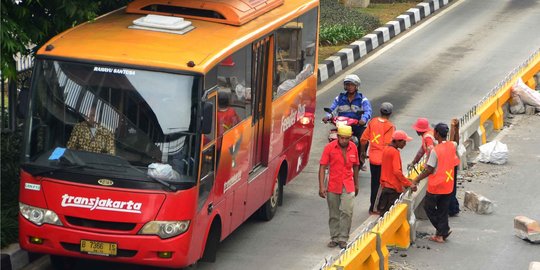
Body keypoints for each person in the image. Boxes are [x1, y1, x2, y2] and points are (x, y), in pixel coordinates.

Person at [412, 123, 460, 243]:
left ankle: (442, 230)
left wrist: (416, 179)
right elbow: (456, 141)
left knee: (429, 208)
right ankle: (440, 235)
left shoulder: (435, 151)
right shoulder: (452, 145)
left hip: (436, 186)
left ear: (436, 134)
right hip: (448, 184)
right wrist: (456, 129)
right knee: (443, 210)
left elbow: (429, 169)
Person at [318, 125, 359, 249]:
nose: (344, 141)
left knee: (347, 211)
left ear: (350, 138)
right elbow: (322, 167)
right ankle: (334, 238)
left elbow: (356, 166)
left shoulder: (353, 148)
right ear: (338, 137)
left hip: (348, 184)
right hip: (333, 185)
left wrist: (356, 184)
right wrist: (321, 186)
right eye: (342, 138)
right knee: (334, 213)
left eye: (347, 139)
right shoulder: (329, 148)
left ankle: (343, 238)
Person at [322, 74, 372, 161]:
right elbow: (332, 109)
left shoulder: (362, 99)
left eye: (352, 85)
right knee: (332, 136)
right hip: (342, 125)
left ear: (356, 86)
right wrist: (327, 116)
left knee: (363, 139)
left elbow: (368, 111)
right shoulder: (340, 98)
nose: (350, 87)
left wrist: (363, 119)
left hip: (357, 126)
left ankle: (361, 157)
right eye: (348, 85)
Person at [360, 102, 395, 215]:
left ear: (380, 111)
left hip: (372, 158)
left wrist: (362, 153)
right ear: (390, 113)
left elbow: (363, 140)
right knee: (380, 184)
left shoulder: (372, 122)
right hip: (383, 160)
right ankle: (375, 208)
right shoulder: (390, 126)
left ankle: (373, 206)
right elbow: (389, 144)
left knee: (374, 182)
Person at [377, 130, 417, 216]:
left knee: (384, 215)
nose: (405, 144)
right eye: (404, 141)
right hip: (393, 189)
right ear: (398, 141)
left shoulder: (386, 149)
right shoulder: (394, 152)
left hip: (385, 187)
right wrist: (409, 184)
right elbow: (397, 171)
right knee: (391, 215)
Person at [448, 118, 460, 217]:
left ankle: (451, 208)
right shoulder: (454, 144)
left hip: (448, 166)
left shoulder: (447, 145)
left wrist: (453, 128)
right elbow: (455, 141)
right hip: (453, 165)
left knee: (449, 188)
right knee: (452, 187)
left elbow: (452, 141)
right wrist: (455, 128)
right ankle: (453, 207)